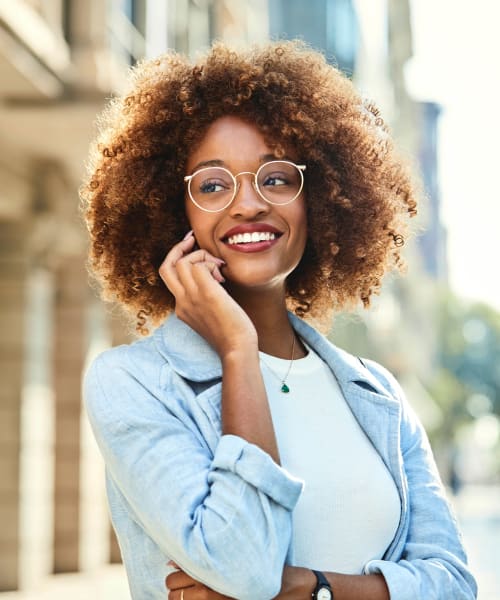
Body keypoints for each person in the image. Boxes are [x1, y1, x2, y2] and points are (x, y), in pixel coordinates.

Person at [81, 40, 477, 600]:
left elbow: (456, 584)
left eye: (276, 178)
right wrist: (239, 349)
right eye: (213, 185)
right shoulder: (134, 383)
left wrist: (315, 588)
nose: (248, 205)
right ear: (173, 212)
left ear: (318, 198)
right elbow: (244, 567)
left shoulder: (375, 393)